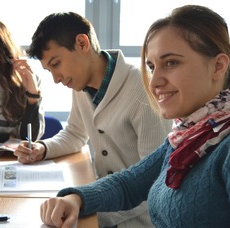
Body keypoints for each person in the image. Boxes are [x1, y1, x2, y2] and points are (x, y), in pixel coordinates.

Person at [39, 5, 230, 228]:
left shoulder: (222, 148)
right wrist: (76, 198)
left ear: (218, 66)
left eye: (171, 63)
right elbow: (129, 183)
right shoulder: (188, 135)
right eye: (151, 66)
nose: (154, 81)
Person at [14, 12, 171, 228]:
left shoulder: (142, 90)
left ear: (82, 43)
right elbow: (75, 134)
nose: (56, 79)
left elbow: (154, 183)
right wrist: (42, 148)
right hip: (103, 205)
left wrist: (92, 211)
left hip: (139, 220)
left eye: (56, 63)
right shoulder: (80, 86)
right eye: (49, 70)